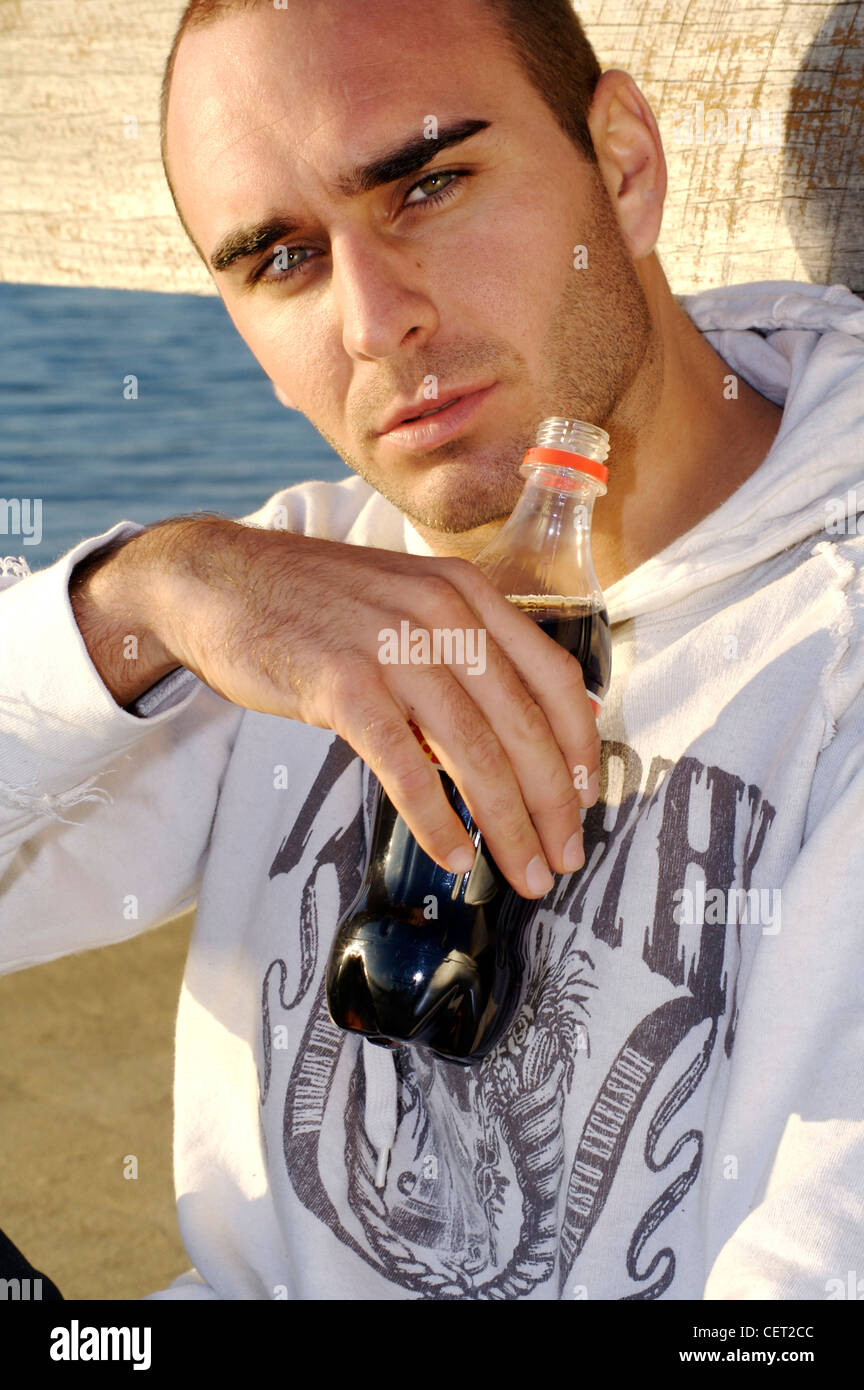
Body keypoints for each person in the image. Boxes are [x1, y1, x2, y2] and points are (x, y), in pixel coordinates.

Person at [2, 0, 863, 1301]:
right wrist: (146, 596)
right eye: (282, 258)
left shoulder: (828, 644)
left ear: (622, 164)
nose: (373, 320)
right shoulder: (300, 594)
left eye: (429, 183)